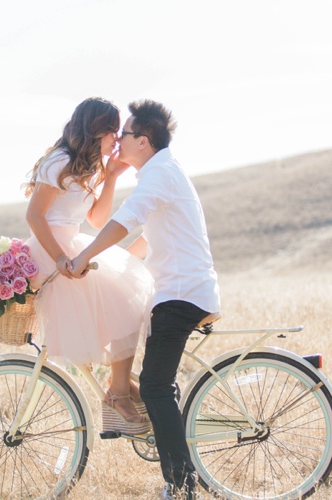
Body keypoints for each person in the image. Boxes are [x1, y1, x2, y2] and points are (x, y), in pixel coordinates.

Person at [70, 99, 220, 499]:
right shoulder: (161, 171)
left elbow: (128, 219)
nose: (117, 141)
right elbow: (147, 240)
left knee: (154, 386)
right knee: (157, 383)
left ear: (144, 139)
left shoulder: (160, 174)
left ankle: (182, 483)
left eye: (124, 135)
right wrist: (108, 263)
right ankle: (165, 445)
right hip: (177, 291)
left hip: (181, 295)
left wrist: (86, 255)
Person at [24, 97, 152, 435]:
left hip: (74, 245)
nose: (116, 139)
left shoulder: (89, 166)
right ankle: (119, 392)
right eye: (113, 131)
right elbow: (34, 216)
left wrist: (109, 177)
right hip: (50, 249)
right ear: (97, 130)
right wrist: (60, 258)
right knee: (123, 304)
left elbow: (95, 220)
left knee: (126, 304)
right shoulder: (59, 161)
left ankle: (118, 385)